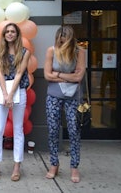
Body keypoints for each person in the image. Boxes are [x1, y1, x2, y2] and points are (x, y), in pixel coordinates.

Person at [0, 22, 30, 182]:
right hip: (3, 91)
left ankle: (16, 167)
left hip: (18, 91)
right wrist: (5, 94)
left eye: (13, 31)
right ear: (4, 35)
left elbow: (19, 73)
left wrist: (11, 94)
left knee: (18, 130)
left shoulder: (25, 52)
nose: (10, 34)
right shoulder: (0, 51)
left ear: (17, 34)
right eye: (7, 31)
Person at [44, 25, 85, 183]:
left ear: (70, 41)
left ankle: (74, 167)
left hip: (73, 96)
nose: (61, 45)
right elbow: (47, 75)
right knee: (53, 129)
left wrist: (58, 75)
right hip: (54, 95)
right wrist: (67, 75)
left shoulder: (79, 52)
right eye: (59, 42)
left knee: (74, 130)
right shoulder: (51, 51)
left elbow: (79, 77)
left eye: (64, 42)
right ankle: (54, 164)